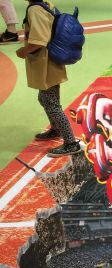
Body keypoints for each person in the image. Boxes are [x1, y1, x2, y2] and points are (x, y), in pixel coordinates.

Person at [16, 0, 81, 157]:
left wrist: (23, 51)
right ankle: (56, 128)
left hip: (47, 64)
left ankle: (71, 143)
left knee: (52, 104)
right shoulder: (45, 4)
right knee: (45, 99)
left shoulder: (34, 10)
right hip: (51, 61)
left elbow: (39, 41)